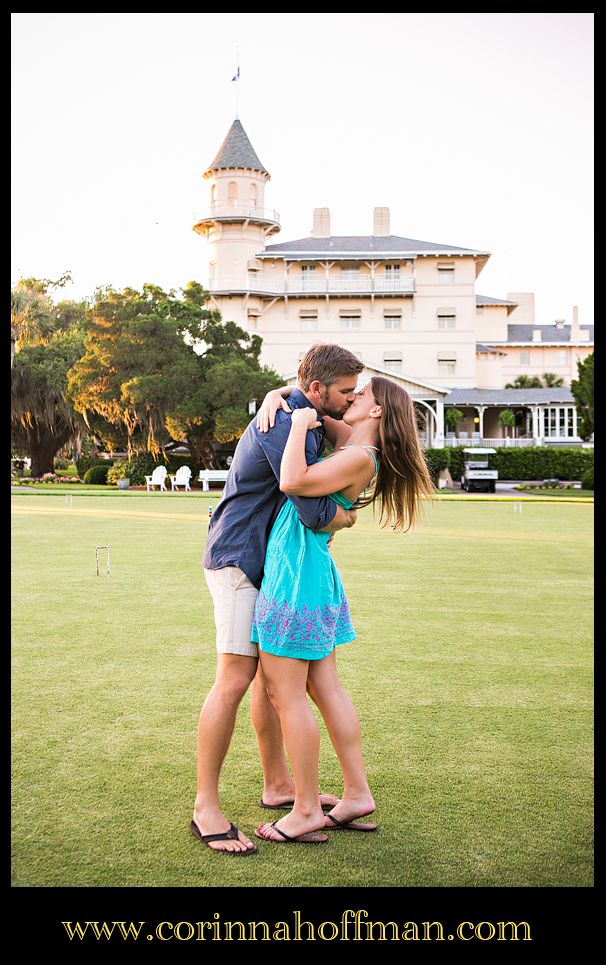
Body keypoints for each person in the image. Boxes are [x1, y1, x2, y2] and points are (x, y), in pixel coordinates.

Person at [192, 344, 365, 854]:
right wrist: (348, 516)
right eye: (345, 393)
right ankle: (206, 806)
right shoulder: (283, 420)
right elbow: (311, 511)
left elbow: (340, 445)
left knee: (272, 679)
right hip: (239, 560)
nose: (351, 400)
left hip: (267, 566)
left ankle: (279, 787)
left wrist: (290, 396)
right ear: (317, 390)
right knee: (235, 678)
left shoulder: (300, 412)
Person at [252, 375, 434, 845]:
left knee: (284, 693)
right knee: (324, 687)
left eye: (363, 395)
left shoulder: (356, 456)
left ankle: (307, 809)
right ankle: (356, 793)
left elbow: (292, 480)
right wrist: (277, 397)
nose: (352, 397)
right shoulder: (353, 444)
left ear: (376, 412)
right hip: (312, 571)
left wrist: (297, 428)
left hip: (297, 575)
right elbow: (303, 402)